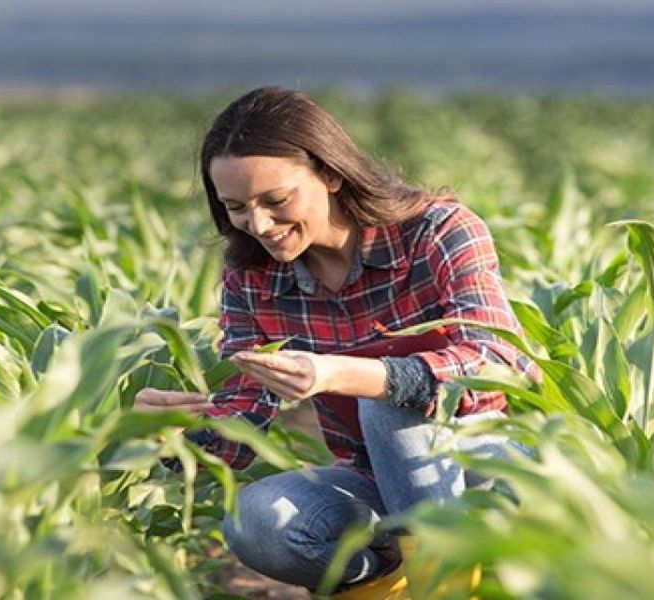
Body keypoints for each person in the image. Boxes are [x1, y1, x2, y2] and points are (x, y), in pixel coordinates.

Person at [133, 86, 540, 596]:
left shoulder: (437, 231)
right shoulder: (253, 279)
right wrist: (162, 434)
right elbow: (243, 410)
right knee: (259, 523)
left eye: (275, 201)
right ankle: (388, 584)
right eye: (236, 207)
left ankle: (446, 587)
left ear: (330, 173)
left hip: (488, 462)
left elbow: (497, 359)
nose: (258, 224)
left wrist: (341, 374)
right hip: (375, 477)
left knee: (386, 402)